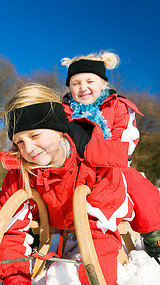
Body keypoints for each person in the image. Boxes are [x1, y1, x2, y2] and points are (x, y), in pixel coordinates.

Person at [0, 82, 134, 285]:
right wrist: (16, 282)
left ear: (58, 127)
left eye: (35, 135)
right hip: (52, 217)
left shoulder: (97, 164)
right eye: (19, 141)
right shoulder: (20, 171)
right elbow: (10, 230)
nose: (28, 149)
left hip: (92, 222)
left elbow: (102, 235)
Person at [61, 51, 160, 264]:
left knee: (142, 190)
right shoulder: (63, 112)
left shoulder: (119, 106)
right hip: (73, 170)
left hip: (114, 168)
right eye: (76, 83)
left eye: (90, 81)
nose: (83, 87)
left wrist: (94, 151)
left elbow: (124, 143)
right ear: (69, 87)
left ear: (103, 84)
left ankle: (154, 238)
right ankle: (33, 233)